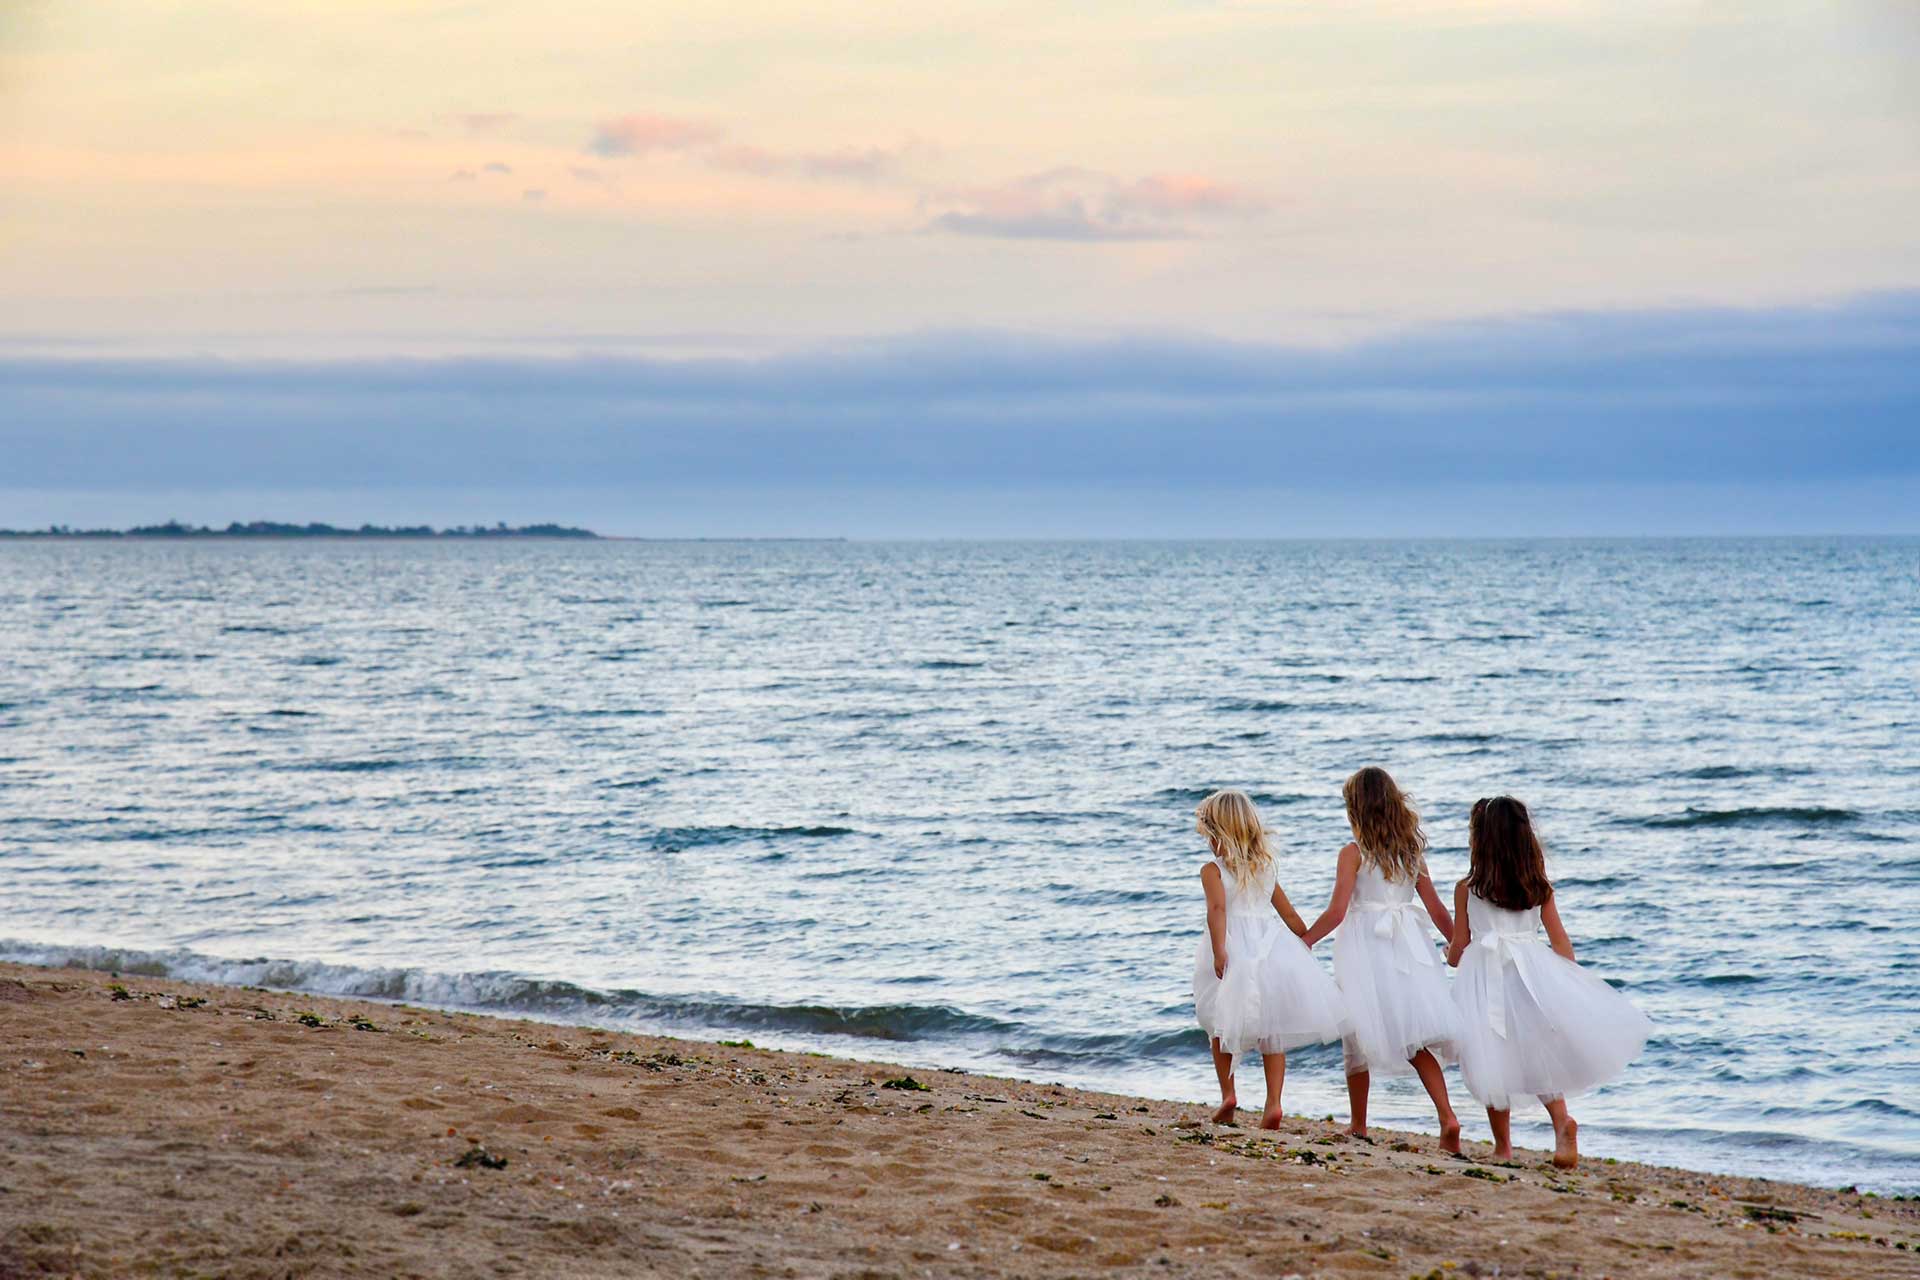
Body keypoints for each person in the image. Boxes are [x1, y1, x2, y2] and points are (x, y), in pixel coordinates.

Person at [1448, 795, 1652, 1168]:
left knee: (1491, 1056)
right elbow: (1561, 945)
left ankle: (1503, 1147)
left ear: (1481, 840)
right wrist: (1565, 988)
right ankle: (1561, 1124)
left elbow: (1459, 947)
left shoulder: (1467, 888)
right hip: (1531, 976)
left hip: (1487, 977)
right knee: (1538, 1055)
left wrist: (1451, 955)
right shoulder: (1539, 888)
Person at [1301, 766, 1463, 1150]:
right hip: (1410, 947)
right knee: (1415, 1037)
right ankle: (1447, 1116)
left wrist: (1305, 940)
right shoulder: (1412, 853)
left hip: (1365, 948)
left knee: (1356, 1030)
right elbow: (1438, 910)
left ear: (1356, 809)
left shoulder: (1352, 854)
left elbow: (1337, 912)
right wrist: (1459, 944)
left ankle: (1359, 1124)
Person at [1191, 788, 1348, 1128]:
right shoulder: (1265, 867)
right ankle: (1274, 1103)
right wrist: (1303, 941)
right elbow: (1288, 914)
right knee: (1271, 1031)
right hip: (1268, 949)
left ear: (1219, 834)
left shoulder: (1213, 871)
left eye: (1208, 835)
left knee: (1219, 1024)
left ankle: (1229, 1096)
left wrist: (1220, 950)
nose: (1207, 843)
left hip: (1232, 948)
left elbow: (1217, 911)